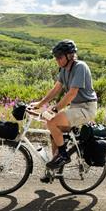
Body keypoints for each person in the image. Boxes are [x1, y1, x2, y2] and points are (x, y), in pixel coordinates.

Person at [31, 39, 98, 170]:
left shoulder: (80, 67)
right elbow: (56, 89)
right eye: (56, 57)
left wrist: (55, 109)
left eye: (59, 57)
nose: (57, 60)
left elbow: (72, 93)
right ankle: (54, 167)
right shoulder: (64, 70)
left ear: (69, 56)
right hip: (75, 108)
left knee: (52, 122)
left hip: (86, 108)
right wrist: (40, 104)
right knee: (54, 132)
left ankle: (64, 155)